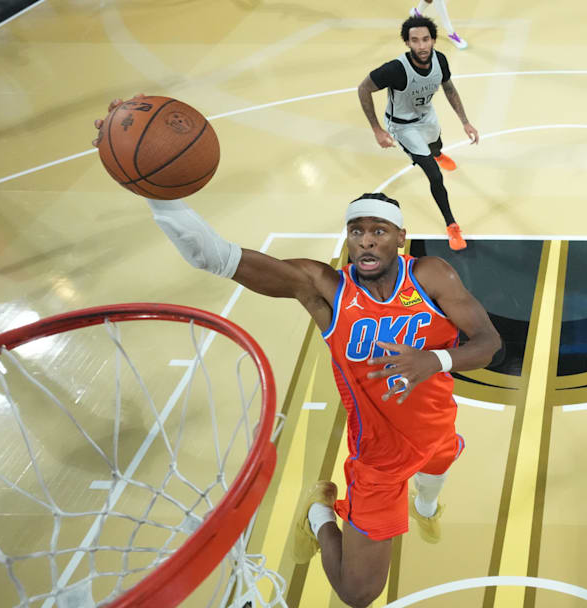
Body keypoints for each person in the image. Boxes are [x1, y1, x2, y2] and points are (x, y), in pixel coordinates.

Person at [93, 98, 501, 608]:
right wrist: (156, 195)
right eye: (357, 231)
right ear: (347, 240)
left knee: (440, 465)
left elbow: (489, 344)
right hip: (377, 460)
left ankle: (427, 505)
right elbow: (214, 257)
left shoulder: (432, 275)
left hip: (437, 423)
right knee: (358, 593)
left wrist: (433, 361)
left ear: (402, 237)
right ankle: (319, 514)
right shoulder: (324, 287)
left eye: (379, 231)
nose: (367, 241)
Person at [358, 15, 480, 251]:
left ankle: (437, 153)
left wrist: (466, 122)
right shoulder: (395, 70)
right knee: (435, 176)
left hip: (427, 116)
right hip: (403, 125)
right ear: (407, 43)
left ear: (433, 40)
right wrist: (376, 129)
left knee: (436, 143)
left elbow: (449, 89)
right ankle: (452, 225)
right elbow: (363, 88)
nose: (421, 46)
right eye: (415, 41)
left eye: (425, 39)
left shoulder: (440, 60)